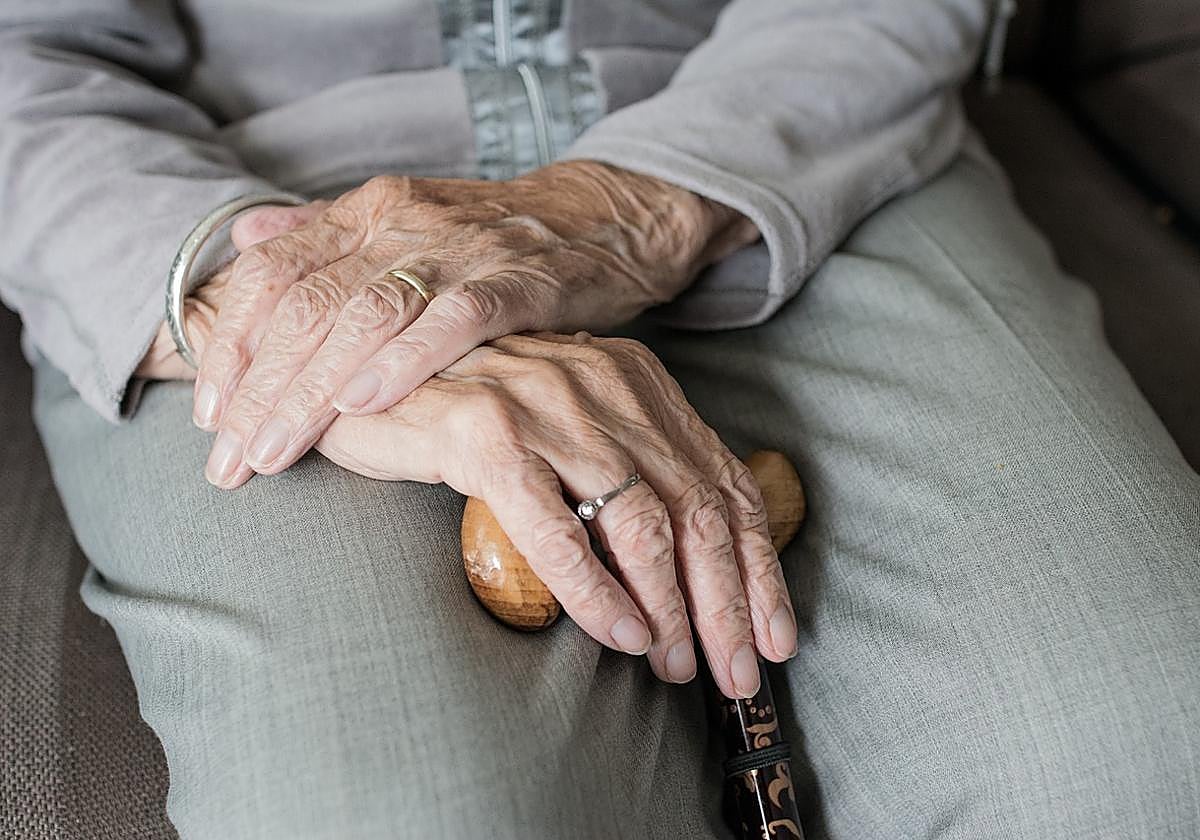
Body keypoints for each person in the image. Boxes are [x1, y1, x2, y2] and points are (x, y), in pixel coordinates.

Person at [2, 1, 1197, 838]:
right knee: (407, 817)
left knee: (1144, 747)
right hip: (235, 206)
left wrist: (626, 207)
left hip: (793, 130)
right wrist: (285, 312)